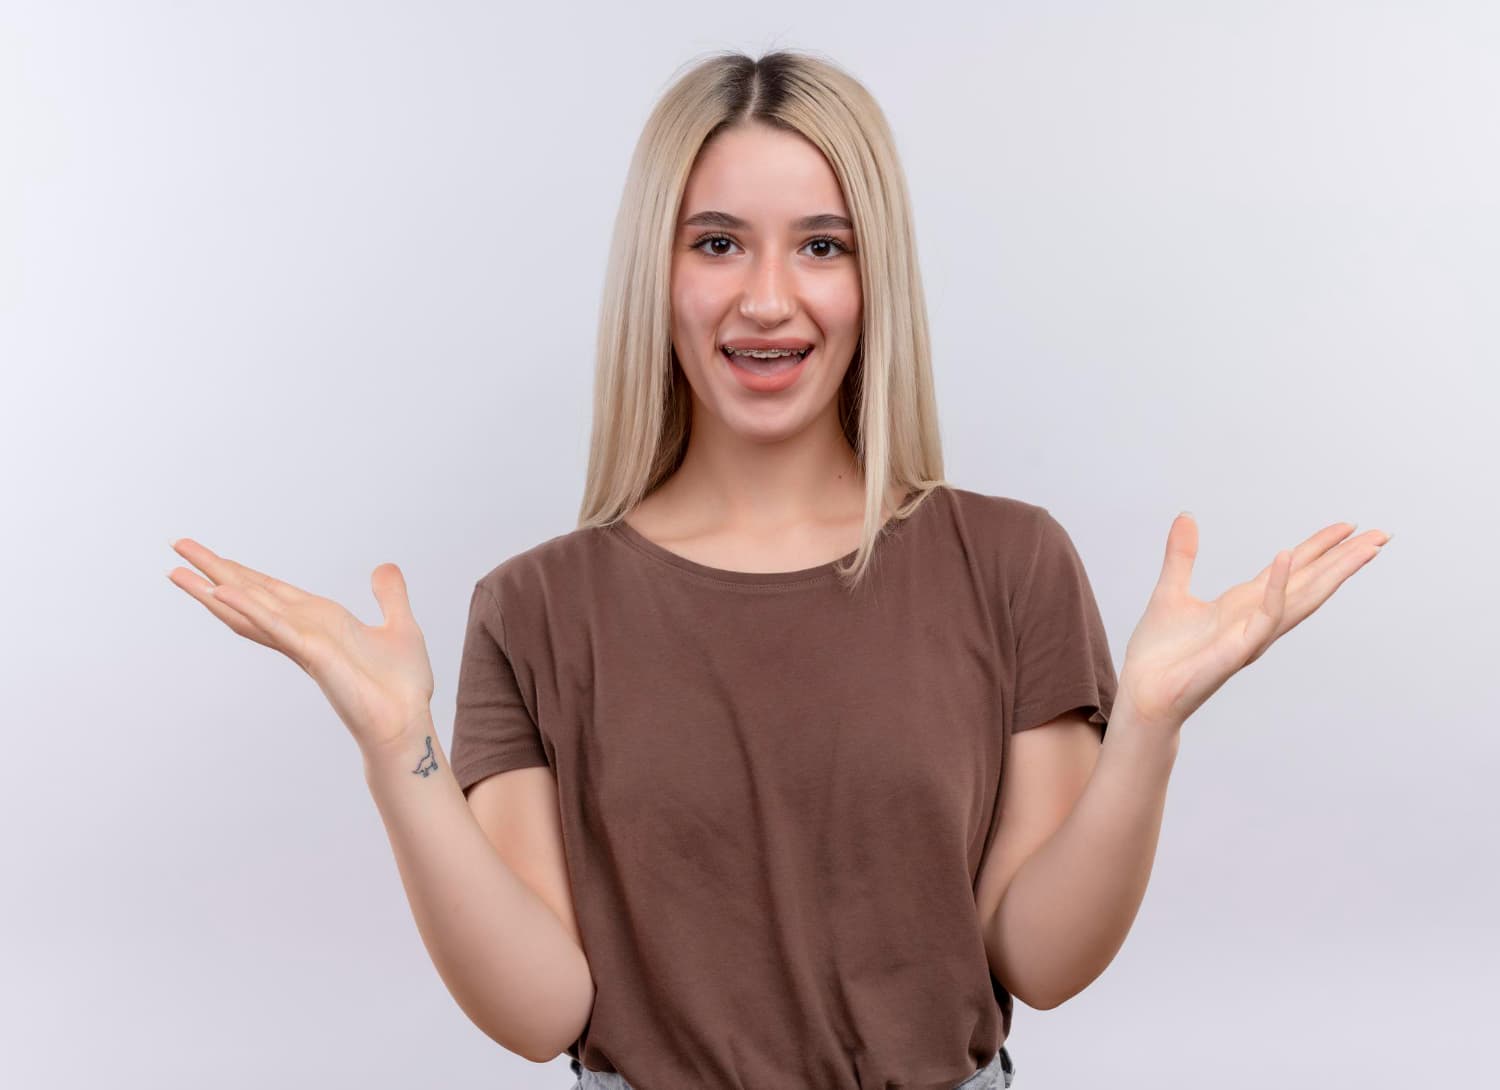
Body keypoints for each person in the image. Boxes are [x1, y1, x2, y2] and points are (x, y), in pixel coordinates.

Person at [166, 47, 1390, 1090]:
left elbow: (1039, 959)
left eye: (820, 244)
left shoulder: (1009, 561)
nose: (767, 298)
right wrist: (401, 753)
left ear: (875, 279)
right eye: (717, 243)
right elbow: (542, 1008)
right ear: (660, 269)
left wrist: (1153, 733)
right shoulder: (535, 608)